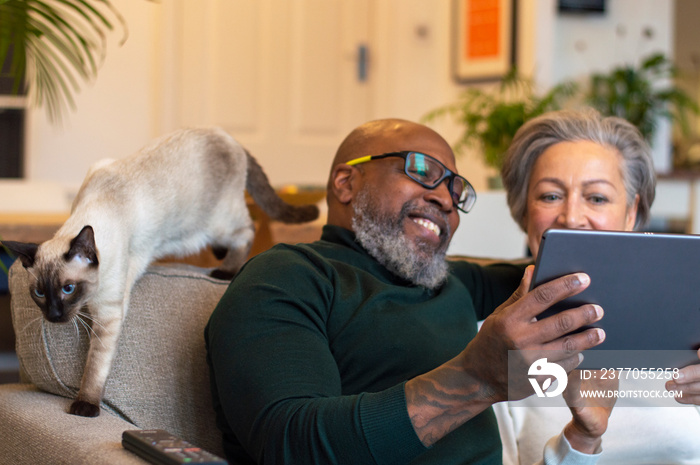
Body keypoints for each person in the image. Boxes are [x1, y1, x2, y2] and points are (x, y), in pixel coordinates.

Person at [205, 118, 607, 465]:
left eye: (456, 190)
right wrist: (475, 379)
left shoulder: (454, 282)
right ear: (346, 182)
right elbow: (290, 445)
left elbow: (578, 274)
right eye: (422, 171)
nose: (445, 199)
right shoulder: (289, 275)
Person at [497, 108, 700, 464]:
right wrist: (582, 439)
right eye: (549, 196)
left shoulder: (688, 329)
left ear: (632, 212)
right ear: (523, 211)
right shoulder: (490, 346)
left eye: (597, 198)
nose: (572, 217)